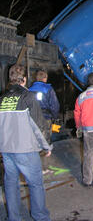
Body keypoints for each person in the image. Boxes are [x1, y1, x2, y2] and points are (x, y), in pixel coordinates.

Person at [0, 64, 52, 221]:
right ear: (24, 79)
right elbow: (38, 125)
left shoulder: (2, 98)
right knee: (35, 184)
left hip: (6, 149)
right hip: (25, 149)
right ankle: (40, 217)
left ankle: (13, 217)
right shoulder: (27, 96)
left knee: (10, 184)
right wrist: (46, 146)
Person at [29, 69, 60, 143]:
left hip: (32, 118)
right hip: (45, 118)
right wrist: (55, 117)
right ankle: (45, 152)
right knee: (45, 140)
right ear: (45, 78)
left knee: (34, 139)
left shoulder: (29, 90)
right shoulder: (48, 89)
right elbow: (54, 105)